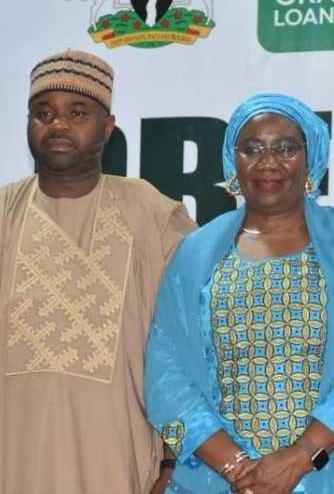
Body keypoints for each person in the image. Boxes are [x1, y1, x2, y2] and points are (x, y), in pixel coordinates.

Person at [145, 93, 334, 493]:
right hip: (217, 480)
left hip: (331, 476)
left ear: (309, 158)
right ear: (233, 162)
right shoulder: (195, 253)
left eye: (285, 148)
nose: (268, 161)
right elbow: (166, 374)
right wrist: (238, 470)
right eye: (252, 149)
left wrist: (300, 458)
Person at [0, 50, 196, 494]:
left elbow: (191, 345)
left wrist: (173, 461)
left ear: (107, 127)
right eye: (43, 113)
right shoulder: (5, 213)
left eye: (77, 113)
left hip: (117, 461)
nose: (58, 125)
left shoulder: (152, 214)